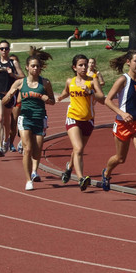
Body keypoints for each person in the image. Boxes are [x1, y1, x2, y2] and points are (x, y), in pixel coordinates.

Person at [101, 50, 136, 200]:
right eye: (135, 61)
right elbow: (107, 100)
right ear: (128, 62)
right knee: (120, 158)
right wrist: (122, 113)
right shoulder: (122, 80)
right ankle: (106, 173)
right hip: (123, 124)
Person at [2, 51, 55, 190]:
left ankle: (33, 171)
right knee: (28, 149)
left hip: (40, 118)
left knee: (37, 152)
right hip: (25, 118)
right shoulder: (20, 83)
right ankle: (28, 180)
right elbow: (4, 100)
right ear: (27, 67)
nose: (35, 69)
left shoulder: (45, 83)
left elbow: (53, 101)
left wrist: (46, 99)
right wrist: (10, 96)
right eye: (33, 66)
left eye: (37, 66)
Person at [57, 54, 105, 191]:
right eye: (80, 65)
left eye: (85, 65)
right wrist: (60, 97)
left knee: (78, 150)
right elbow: (67, 92)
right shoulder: (69, 81)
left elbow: (101, 98)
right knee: (78, 148)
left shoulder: (92, 80)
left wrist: (90, 92)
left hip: (88, 120)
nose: (84, 67)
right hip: (73, 117)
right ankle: (80, 179)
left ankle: (68, 168)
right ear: (74, 67)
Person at [0, 40, 25, 157]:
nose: (4, 50)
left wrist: (13, 74)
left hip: (9, 94)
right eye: (2, 48)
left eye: (6, 48)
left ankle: (6, 141)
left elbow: (23, 77)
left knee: (7, 121)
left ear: (9, 50)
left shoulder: (13, 63)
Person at [8, 54, 22, 153]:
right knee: (10, 124)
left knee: (16, 123)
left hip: (18, 101)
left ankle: (13, 143)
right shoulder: (6, 74)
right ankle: (9, 142)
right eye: (11, 61)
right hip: (8, 100)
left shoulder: (20, 76)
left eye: (14, 61)